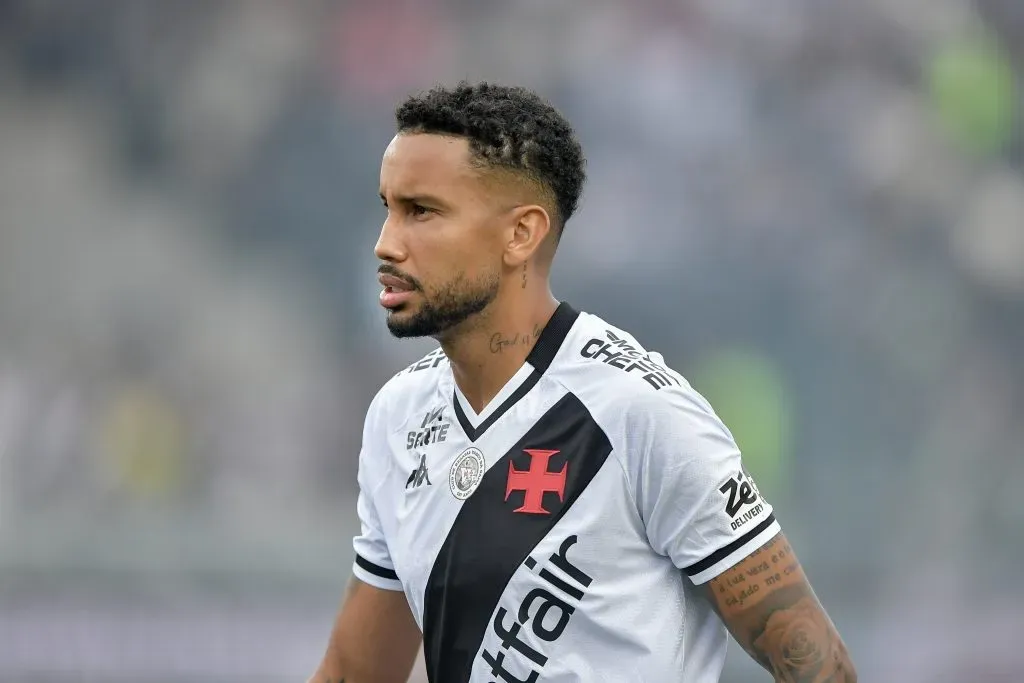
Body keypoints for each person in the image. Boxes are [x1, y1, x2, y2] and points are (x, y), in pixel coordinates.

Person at [309, 82, 857, 683]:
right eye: (388, 207)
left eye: (422, 212)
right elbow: (354, 672)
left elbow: (817, 664)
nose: (386, 244)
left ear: (521, 234)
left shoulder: (639, 411)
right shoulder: (399, 414)